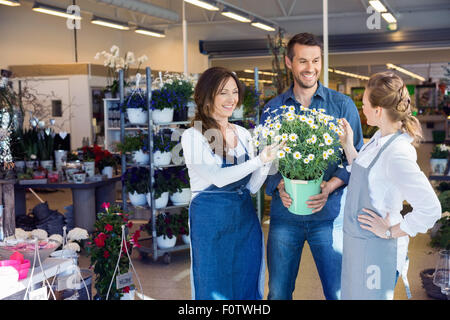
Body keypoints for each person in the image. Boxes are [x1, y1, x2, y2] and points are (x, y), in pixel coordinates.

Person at [261, 32, 364, 300]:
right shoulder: (273, 109)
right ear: (288, 62)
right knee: (278, 293)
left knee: (339, 293)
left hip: (329, 216)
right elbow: (265, 160)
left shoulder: (342, 105)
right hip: (285, 217)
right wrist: (279, 184)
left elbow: (356, 156)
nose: (310, 68)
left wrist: (331, 185)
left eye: (316, 60)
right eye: (303, 61)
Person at [181, 67, 282, 300]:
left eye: (234, 92)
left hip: (245, 223)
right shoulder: (193, 136)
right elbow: (217, 177)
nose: (231, 99)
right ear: (207, 95)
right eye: (222, 92)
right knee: (213, 286)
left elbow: (251, 188)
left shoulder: (243, 133)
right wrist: (258, 159)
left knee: (246, 282)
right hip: (211, 226)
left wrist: (268, 161)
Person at [339, 71, 441, 300]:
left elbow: (431, 209)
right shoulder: (378, 139)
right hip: (361, 243)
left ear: (378, 110)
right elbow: (368, 173)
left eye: (364, 104)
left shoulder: (397, 153)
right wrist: (348, 145)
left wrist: (389, 231)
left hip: (378, 251)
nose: (361, 109)